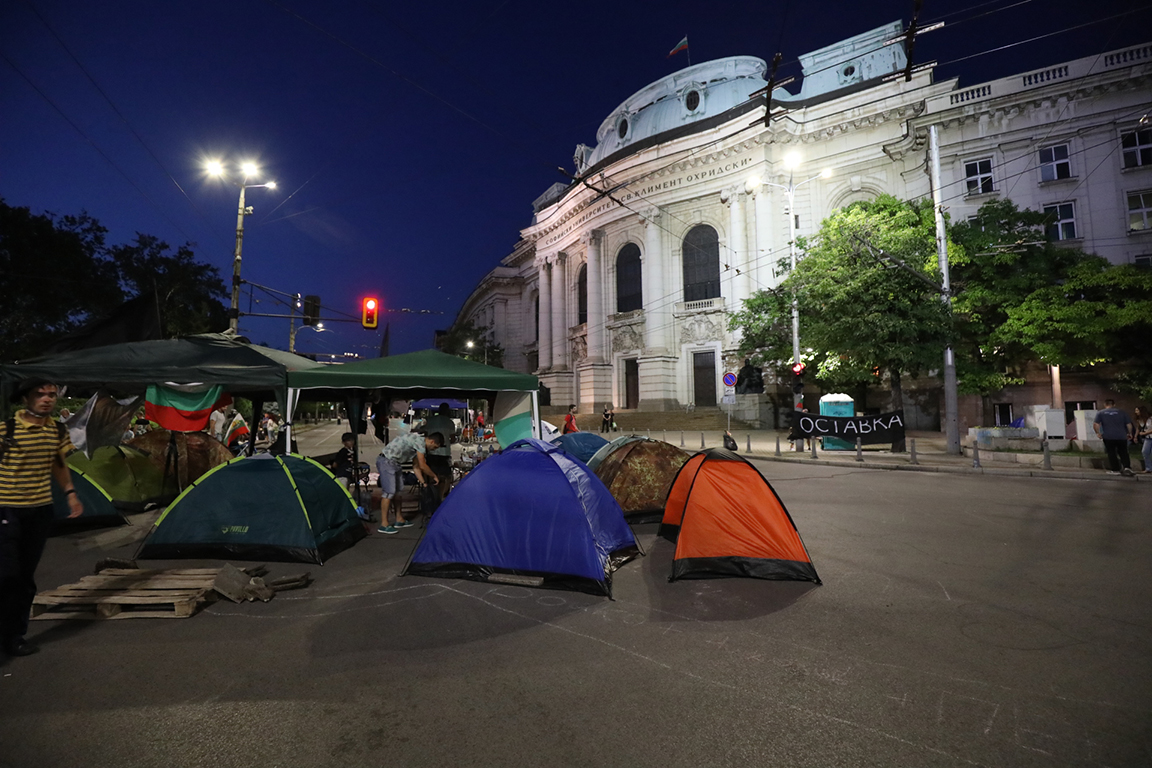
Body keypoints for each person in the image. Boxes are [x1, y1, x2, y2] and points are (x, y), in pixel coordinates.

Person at [0, 378, 83, 657]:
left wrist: (70, 492)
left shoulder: (58, 430)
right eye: (40, 394)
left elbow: (58, 463)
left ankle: (14, 637)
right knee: (7, 574)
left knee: (25, 577)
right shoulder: (6, 429)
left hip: (40, 509)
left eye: (51, 395)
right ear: (25, 398)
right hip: (6, 508)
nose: (47, 399)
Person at [376, 431, 443, 534]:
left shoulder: (417, 442)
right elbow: (422, 465)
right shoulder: (420, 442)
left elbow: (416, 466)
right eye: (434, 447)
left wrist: (423, 483)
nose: (433, 450)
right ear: (432, 441)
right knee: (389, 493)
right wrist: (434, 476)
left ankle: (399, 519)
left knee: (398, 492)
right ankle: (384, 524)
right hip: (386, 461)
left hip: (395, 463)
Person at [1093, 399, 1135, 476]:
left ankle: (1115, 469)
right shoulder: (1122, 412)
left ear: (1105, 405)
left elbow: (1096, 424)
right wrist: (1129, 433)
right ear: (1114, 404)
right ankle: (1127, 467)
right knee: (1123, 452)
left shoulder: (1101, 413)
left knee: (1111, 452)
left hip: (1108, 436)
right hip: (1121, 436)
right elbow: (1129, 424)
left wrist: (1098, 433)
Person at [423, 403, 456, 499]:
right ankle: (441, 497)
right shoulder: (450, 422)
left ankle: (431, 496)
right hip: (444, 453)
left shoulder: (430, 420)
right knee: (445, 477)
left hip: (431, 453)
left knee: (431, 475)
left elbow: (425, 434)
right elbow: (453, 439)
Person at [1133, 405, 1152, 474]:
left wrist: (1145, 433)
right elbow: (1138, 428)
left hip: (1149, 435)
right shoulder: (1139, 419)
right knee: (1145, 451)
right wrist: (1135, 436)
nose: (1136, 412)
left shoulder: (1150, 418)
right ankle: (1148, 468)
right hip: (1148, 438)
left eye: (1137, 410)